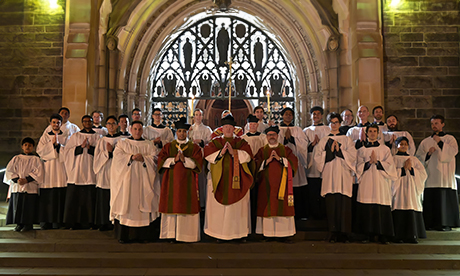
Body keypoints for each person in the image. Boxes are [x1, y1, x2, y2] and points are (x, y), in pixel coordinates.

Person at [203, 114, 253, 241]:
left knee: (236, 209)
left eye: (230, 127)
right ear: (222, 129)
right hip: (219, 181)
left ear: (234, 129)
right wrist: (222, 152)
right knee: (219, 210)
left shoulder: (240, 142)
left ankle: (238, 233)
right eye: (226, 127)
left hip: (237, 181)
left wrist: (234, 152)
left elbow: (248, 156)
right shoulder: (216, 142)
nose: (228, 130)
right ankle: (217, 233)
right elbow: (208, 155)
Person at [111, 121, 161, 243]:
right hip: (127, 182)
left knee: (144, 204)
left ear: (142, 131)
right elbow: (117, 158)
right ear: (131, 129)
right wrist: (131, 157)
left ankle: (143, 236)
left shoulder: (149, 145)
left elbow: (155, 159)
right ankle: (125, 236)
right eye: (135, 129)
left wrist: (144, 159)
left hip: (144, 182)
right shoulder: (123, 144)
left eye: (139, 129)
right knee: (126, 204)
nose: (137, 132)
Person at [157, 117, 203, 242]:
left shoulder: (194, 147)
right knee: (172, 204)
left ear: (188, 132)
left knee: (186, 204)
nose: (182, 134)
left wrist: (185, 160)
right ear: (176, 132)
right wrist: (173, 160)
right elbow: (160, 161)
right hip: (171, 181)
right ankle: (171, 235)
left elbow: (198, 163)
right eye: (179, 131)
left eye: (184, 131)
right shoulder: (168, 146)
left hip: (188, 182)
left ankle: (187, 236)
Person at [314, 112, 356, 242]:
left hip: (344, 175)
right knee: (331, 204)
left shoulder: (347, 139)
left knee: (344, 204)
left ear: (340, 123)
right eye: (332, 122)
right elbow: (317, 158)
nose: (334, 125)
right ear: (329, 124)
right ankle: (332, 231)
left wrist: (340, 151)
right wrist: (329, 152)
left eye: (336, 122)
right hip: (330, 175)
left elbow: (353, 157)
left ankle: (345, 232)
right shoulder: (324, 140)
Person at [355, 124, 397, 244]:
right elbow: (357, 166)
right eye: (370, 131)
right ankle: (367, 235)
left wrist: (378, 163)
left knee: (381, 206)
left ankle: (383, 235)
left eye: (374, 131)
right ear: (367, 133)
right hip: (366, 182)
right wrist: (368, 163)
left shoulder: (385, 149)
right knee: (366, 206)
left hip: (381, 183)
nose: (372, 133)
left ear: (378, 133)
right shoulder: (361, 150)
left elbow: (390, 166)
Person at [416, 115, 459, 231]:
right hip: (431, 176)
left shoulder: (450, 139)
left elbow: (452, 152)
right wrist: (428, 155)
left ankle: (445, 223)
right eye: (432, 124)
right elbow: (418, 158)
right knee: (431, 199)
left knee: (444, 199)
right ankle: (430, 223)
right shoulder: (425, 141)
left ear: (442, 124)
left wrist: (440, 142)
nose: (434, 126)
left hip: (445, 176)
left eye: (436, 123)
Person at [254, 125, 298, 242]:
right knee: (268, 206)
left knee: (282, 207)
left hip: (282, 186)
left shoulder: (285, 150)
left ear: (277, 136)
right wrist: (266, 161)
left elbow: (293, 162)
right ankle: (268, 234)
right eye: (269, 135)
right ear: (266, 137)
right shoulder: (262, 151)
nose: (271, 137)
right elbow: (255, 165)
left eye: (273, 135)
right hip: (266, 185)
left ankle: (284, 234)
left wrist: (280, 159)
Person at [62, 115, 101, 229]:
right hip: (77, 172)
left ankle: (89, 222)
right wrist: (80, 147)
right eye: (85, 121)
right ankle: (73, 222)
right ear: (82, 123)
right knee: (75, 198)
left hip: (90, 170)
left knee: (89, 198)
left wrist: (90, 148)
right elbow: (67, 151)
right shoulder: (76, 136)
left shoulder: (98, 136)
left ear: (93, 122)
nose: (87, 123)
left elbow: (101, 153)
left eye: (89, 121)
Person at [4, 137, 44, 232]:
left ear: (33, 147)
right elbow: (9, 171)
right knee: (18, 206)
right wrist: (17, 179)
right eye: (25, 145)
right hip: (18, 186)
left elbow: (39, 172)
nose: (27, 147)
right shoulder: (16, 158)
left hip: (30, 186)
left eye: (30, 145)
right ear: (22, 147)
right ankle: (19, 224)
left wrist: (27, 180)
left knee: (28, 206)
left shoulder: (36, 159)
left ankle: (28, 224)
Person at [392, 137, 427, 243]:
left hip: (412, 187)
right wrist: (403, 170)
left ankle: (412, 235)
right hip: (398, 188)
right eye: (401, 144)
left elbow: (423, 174)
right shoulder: (393, 159)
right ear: (396, 145)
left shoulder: (414, 159)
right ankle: (398, 236)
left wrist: (411, 169)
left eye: (405, 144)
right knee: (399, 205)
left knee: (411, 206)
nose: (403, 146)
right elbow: (390, 173)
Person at [36, 114, 68, 230]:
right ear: (50, 123)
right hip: (48, 169)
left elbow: (68, 152)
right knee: (47, 196)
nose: (56, 124)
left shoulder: (65, 136)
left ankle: (58, 222)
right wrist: (51, 145)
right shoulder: (45, 137)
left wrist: (59, 146)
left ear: (61, 124)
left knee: (59, 195)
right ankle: (46, 221)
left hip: (60, 169)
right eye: (54, 122)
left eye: (58, 123)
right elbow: (40, 150)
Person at [277, 107, 309, 220]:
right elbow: (274, 143)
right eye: (286, 114)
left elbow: (304, 143)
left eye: (290, 114)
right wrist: (285, 140)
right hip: (282, 162)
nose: (288, 116)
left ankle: (299, 214)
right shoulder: (277, 129)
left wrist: (292, 140)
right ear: (282, 115)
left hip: (296, 161)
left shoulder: (298, 129)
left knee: (297, 188)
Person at [93, 116, 122, 231]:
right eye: (109, 124)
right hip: (104, 172)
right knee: (104, 197)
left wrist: (113, 152)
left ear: (117, 125)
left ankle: (116, 222)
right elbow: (97, 158)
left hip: (117, 172)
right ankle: (104, 222)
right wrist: (107, 153)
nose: (111, 126)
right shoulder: (101, 141)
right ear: (106, 126)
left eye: (113, 124)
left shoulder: (122, 140)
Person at [303, 106, 330, 219]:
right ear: (311, 116)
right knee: (312, 190)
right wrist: (312, 145)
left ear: (322, 115)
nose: (316, 116)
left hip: (324, 164)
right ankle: (313, 214)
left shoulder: (328, 129)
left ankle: (324, 214)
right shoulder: (306, 131)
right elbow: (303, 148)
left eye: (318, 114)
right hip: (312, 165)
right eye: (314, 114)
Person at [188, 108, 212, 209]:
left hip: (202, 155)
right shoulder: (190, 129)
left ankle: (202, 202)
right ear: (193, 117)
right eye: (196, 115)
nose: (198, 117)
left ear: (202, 116)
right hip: (192, 156)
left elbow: (210, 142)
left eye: (200, 115)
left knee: (202, 179)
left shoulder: (207, 129)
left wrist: (202, 141)